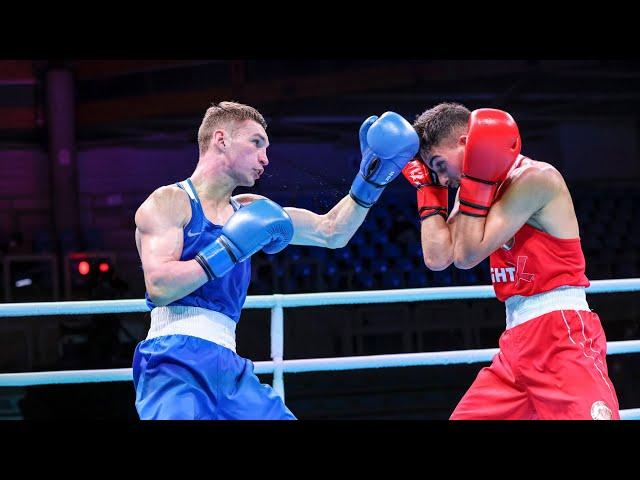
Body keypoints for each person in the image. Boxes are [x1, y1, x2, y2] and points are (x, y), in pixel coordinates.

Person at [132, 101, 418, 419]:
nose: (265, 158)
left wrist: (370, 179)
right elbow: (159, 287)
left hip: (228, 364)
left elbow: (331, 232)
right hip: (172, 360)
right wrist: (228, 249)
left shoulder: (251, 210)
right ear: (221, 139)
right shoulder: (169, 201)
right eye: (256, 143)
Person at [402, 102, 620, 419]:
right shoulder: (472, 187)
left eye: (439, 164)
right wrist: (429, 192)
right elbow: (438, 257)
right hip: (516, 342)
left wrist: (472, 185)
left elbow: (465, 256)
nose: (442, 177)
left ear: (466, 143)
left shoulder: (535, 179)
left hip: (561, 334)